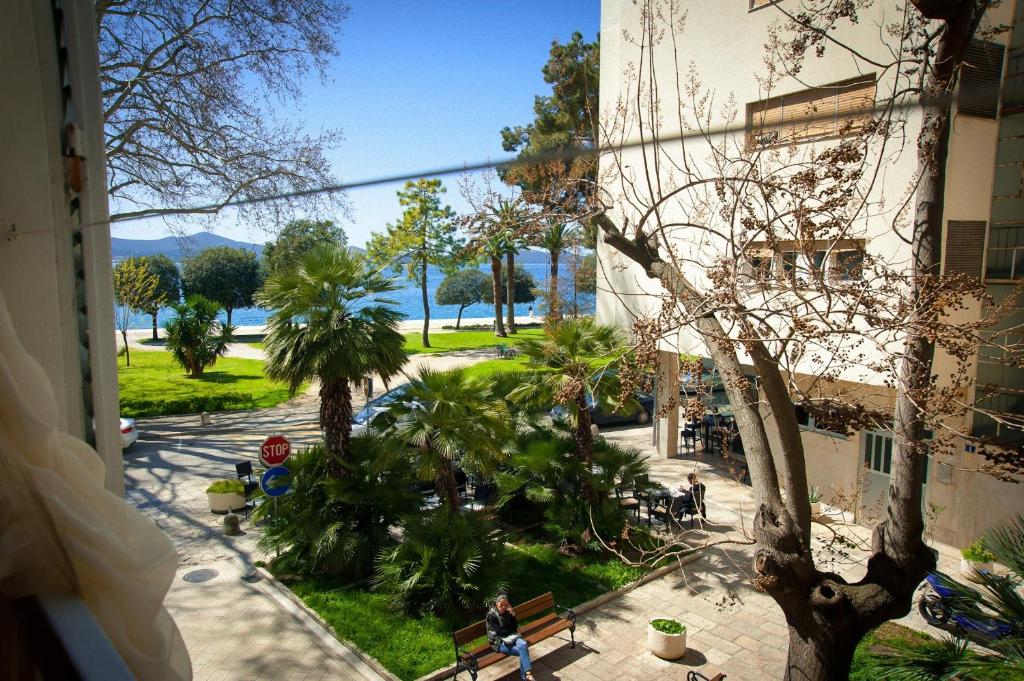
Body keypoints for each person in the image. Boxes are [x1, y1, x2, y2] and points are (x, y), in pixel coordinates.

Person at [486, 593, 535, 681]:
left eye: (505, 604)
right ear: (496, 604)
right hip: (499, 642)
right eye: (501, 604)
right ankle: (525, 678)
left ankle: (527, 674)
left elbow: (515, 626)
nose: (503, 606)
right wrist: (511, 630)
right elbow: (500, 632)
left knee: (523, 644)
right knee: (523, 650)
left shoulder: (507, 612)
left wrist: (512, 614)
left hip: (511, 638)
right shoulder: (492, 615)